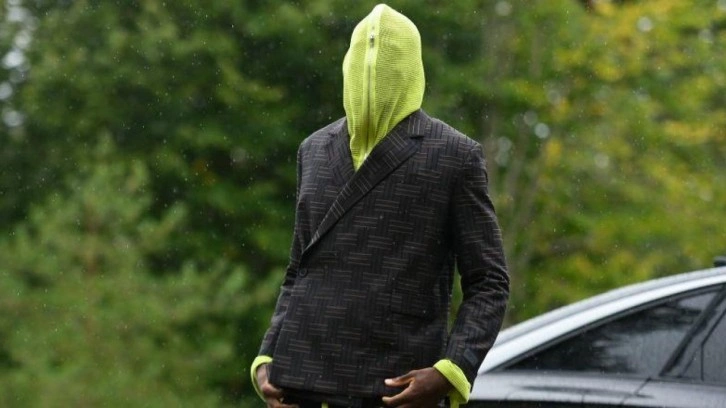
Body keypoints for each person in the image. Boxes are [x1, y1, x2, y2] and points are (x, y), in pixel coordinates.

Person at [251, 4, 509, 408]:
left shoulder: (454, 155)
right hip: (302, 383)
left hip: (396, 387)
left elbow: (489, 281)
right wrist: (269, 356)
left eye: (387, 61)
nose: (372, 73)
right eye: (363, 58)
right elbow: (299, 269)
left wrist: (450, 371)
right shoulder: (314, 150)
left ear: (411, 69)